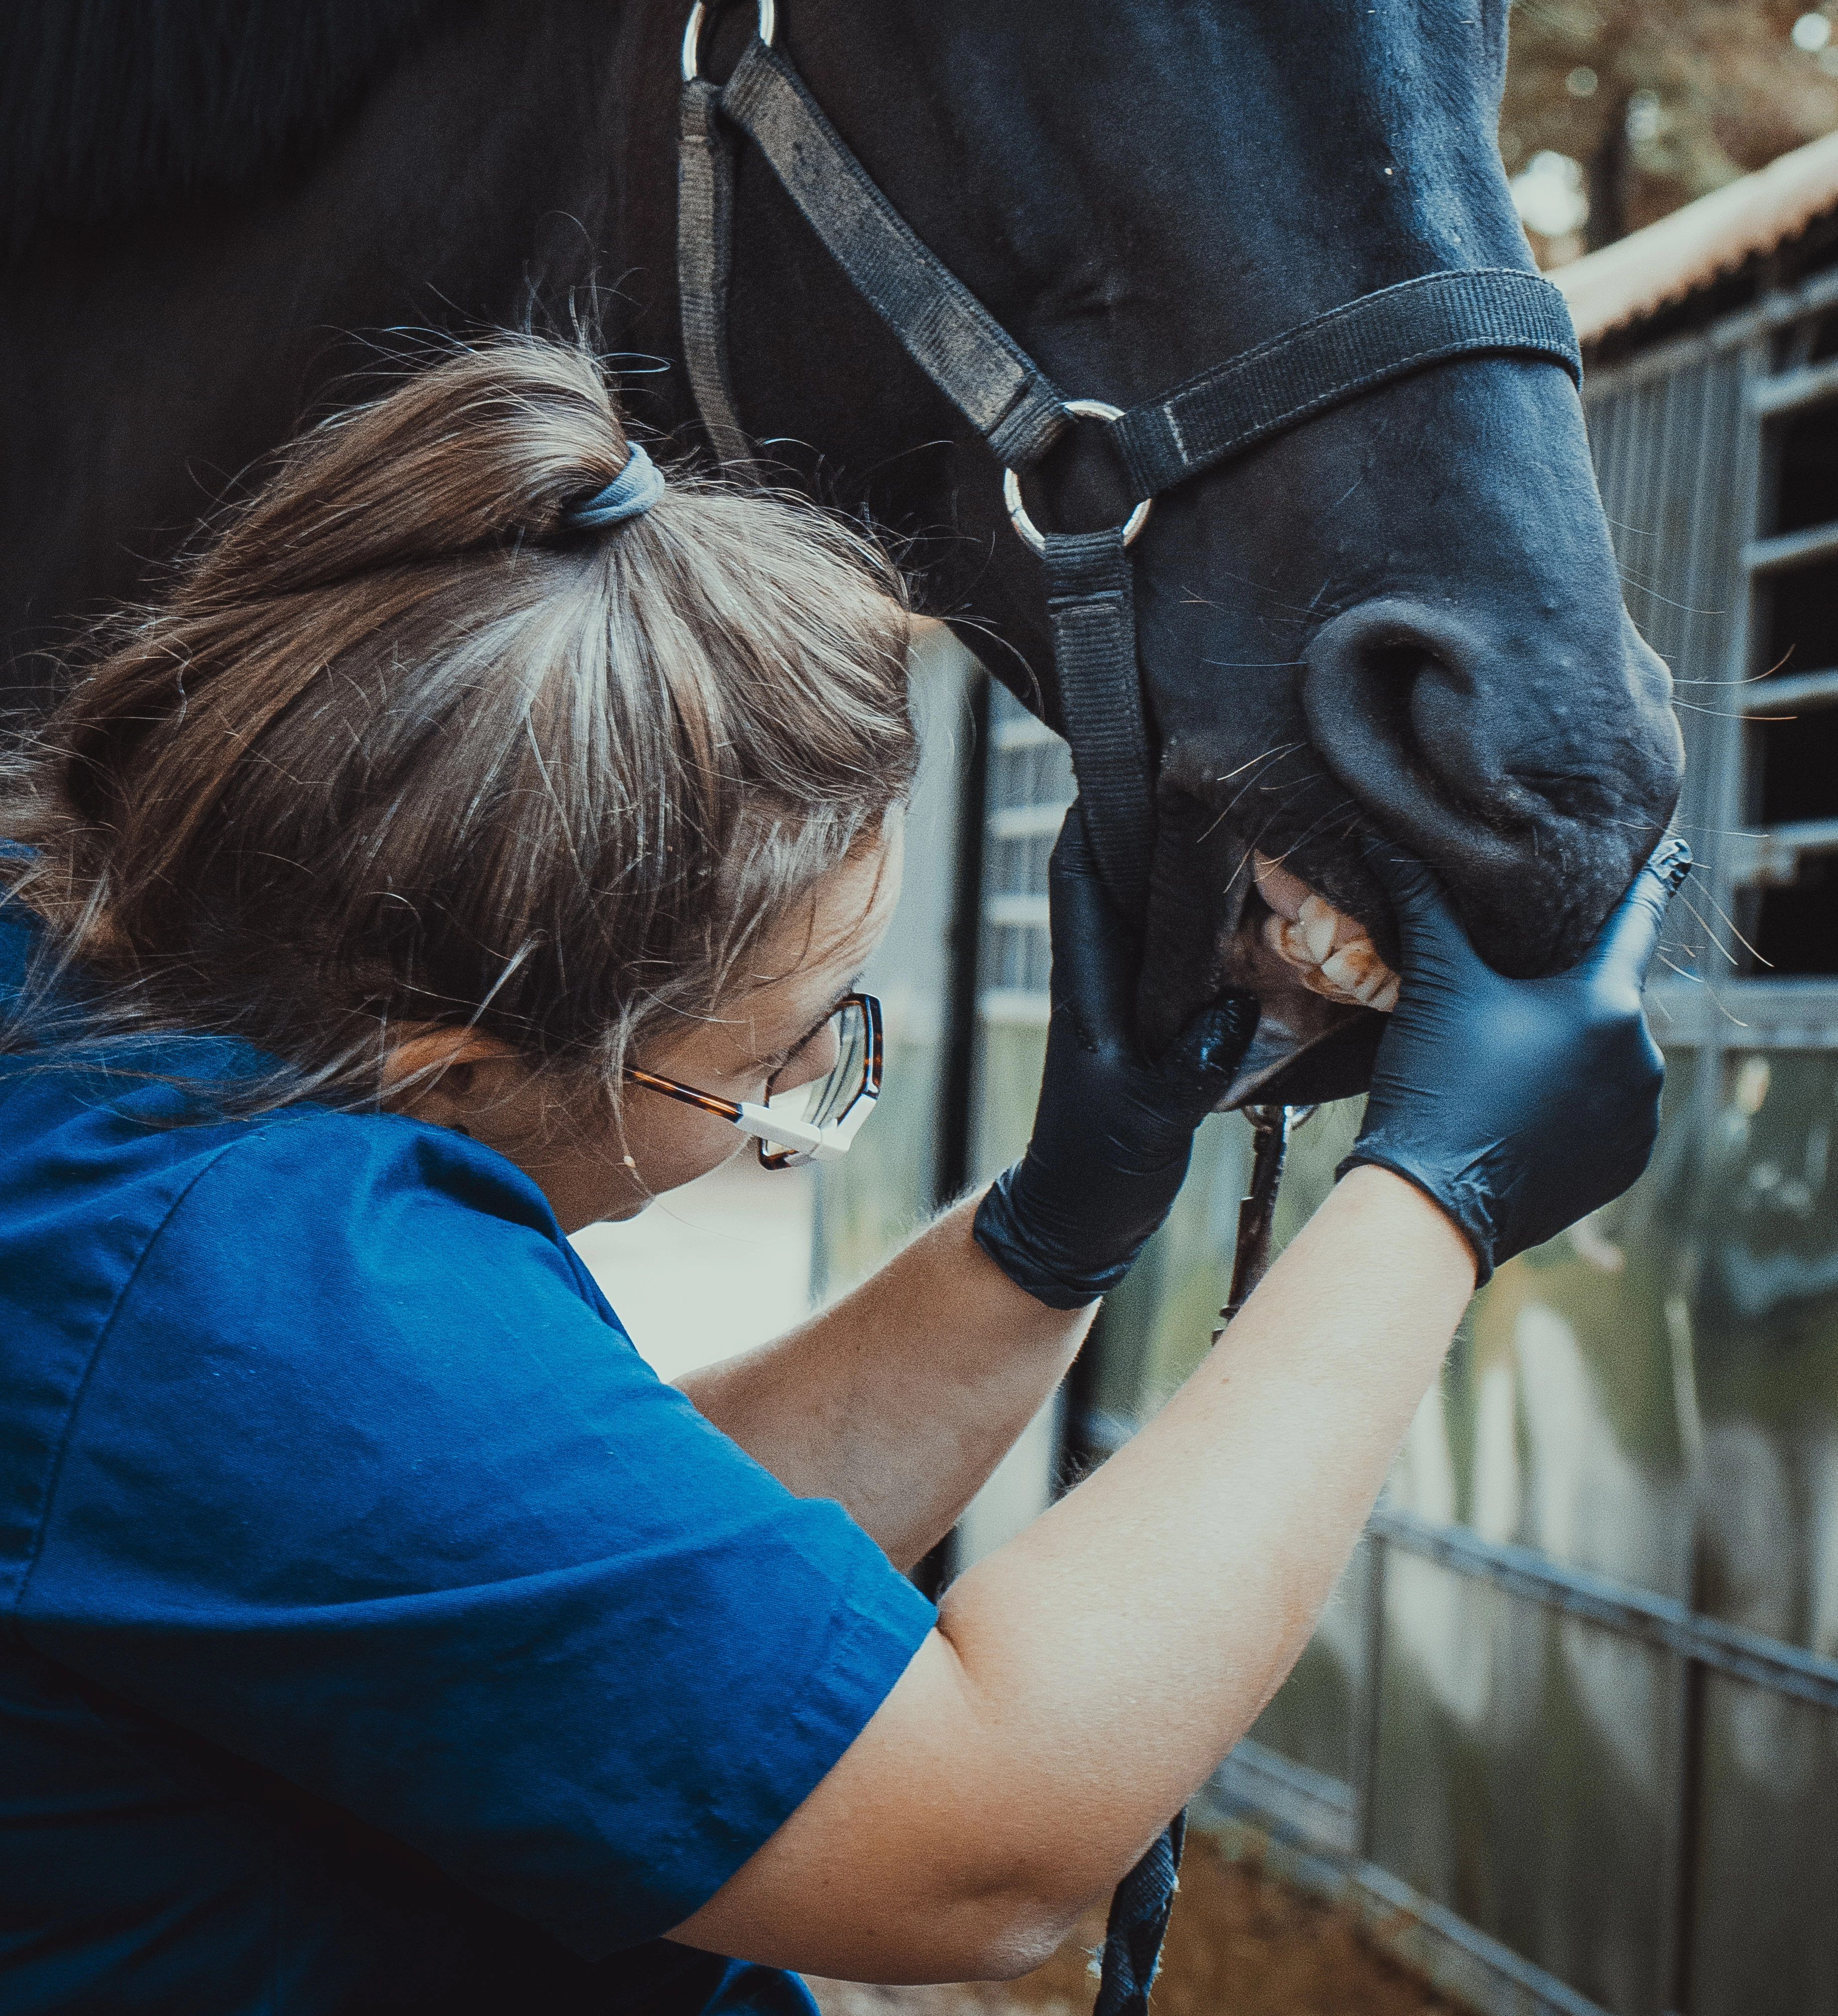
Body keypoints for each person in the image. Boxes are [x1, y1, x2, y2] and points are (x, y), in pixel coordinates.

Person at [0, 338, 1683, 2016]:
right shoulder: (245, 1282)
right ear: (451, 1064)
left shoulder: (113, 1050)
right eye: (771, 1053)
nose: (801, 1089)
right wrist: (1432, 1197)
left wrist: (1056, 1223)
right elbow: (981, 1845)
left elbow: (591, 1575)